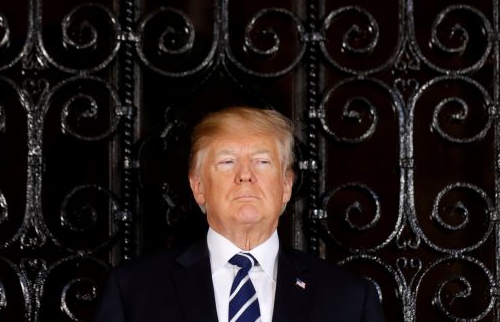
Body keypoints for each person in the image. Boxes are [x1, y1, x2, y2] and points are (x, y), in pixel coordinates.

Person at [93, 106, 384, 321]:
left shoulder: (350, 298)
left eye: (262, 161)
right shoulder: (133, 290)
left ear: (286, 186)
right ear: (199, 188)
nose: (245, 175)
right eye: (227, 161)